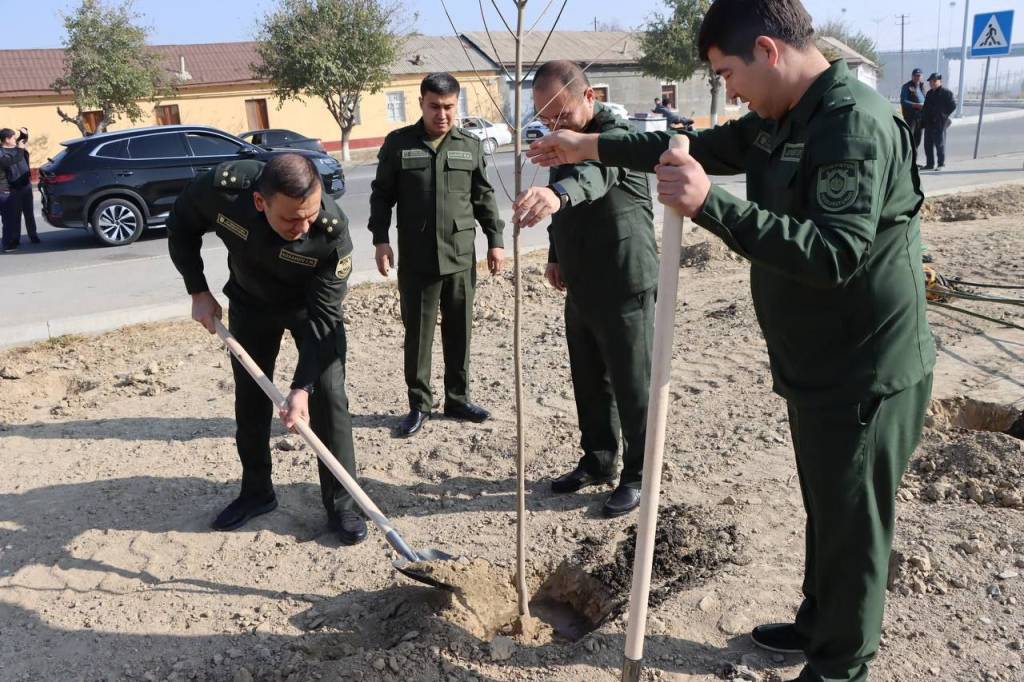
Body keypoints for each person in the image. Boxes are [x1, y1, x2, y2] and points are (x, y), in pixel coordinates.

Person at [526, 0, 934, 680]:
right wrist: (586, 145)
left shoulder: (850, 123)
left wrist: (709, 204)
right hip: (818, 361)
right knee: (826, 508)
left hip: (865, 367)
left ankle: (839, 666)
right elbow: (695, 148)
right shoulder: (789, 114)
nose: (731, 91)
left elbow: (834, 253)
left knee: (853, 527)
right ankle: (817, 625)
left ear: (768, 51)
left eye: (727, 74)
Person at [166, 153, 367, 546]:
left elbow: (326, 319)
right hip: (251, 302)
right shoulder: (224, 191)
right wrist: (197, 290)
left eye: (310, 215)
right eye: (291, 219)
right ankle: (256, 492)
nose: (303, 226)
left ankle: (342, 504)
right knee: (251, 398)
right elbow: (181, 224)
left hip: (311, 312)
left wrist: (301, 387)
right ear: (260, 202)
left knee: (328, 396)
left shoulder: (331, 231)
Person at [512, 60, 658, 518]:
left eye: (562, 114)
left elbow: (592, 176)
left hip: (624, 279)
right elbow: (563, 199)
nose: (555, 126)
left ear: (590, 97)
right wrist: (556, 254)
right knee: (589, 380)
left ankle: (639, 475)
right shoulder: (562, 139)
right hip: (582, 280)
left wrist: (556, 195)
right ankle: (598, 461)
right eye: (545, 119)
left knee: (633, 385)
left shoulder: (615, 137)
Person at [369, 72, 505, 438]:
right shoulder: (399, 144)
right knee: (418, 335)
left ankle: (458, 399)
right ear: (421, 104)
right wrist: (380, 240)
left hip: (460, 257)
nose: (442, 114)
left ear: (456, 105)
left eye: (449, 107)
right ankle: (419, 404)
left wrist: (495, 239)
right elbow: (381, 196)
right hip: (418, 259)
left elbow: (483, 196)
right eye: (434, 106)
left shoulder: (470, 145)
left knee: (460, 330)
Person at [0, 127, 39, 252]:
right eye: (13, 137)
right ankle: (15, 238)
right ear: (7, 139)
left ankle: (33, 235)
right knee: (15, 214)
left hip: (26, 184)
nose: (15, 139)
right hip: (13, 187)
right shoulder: (2, 152)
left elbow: (23, 139)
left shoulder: (18, 146)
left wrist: (24, 132)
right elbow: (12, 161)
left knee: (29, 212)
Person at [920, 72, 956, 170]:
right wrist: (923, 117)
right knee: (928, 145)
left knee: (939, 145)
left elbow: (953, 106)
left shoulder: (946, 93)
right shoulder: (929, 93)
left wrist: (943, 115)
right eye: (931, 81)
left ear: (940, 81)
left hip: (939, 123)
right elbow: (925, 107)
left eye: (934, 81)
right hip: (929, 123)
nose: (932, 83)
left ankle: (941, 164)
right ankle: (929, 164)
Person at [899, 68, 925, 162]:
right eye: (915, 76)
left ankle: (914, 162)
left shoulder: (922, 87)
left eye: (919, 76)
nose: (917, 77)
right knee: (909, 140)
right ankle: (907, 162)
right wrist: (916, 105)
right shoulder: (907, 86)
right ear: (912, 76)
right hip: (910, 118)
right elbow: (903, 101)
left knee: (917, 140)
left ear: (922, 77)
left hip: (920, 118)